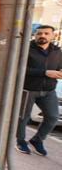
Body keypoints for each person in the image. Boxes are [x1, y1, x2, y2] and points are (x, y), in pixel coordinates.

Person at [16, 25, 62, 156]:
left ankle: (37, 140)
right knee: (23, 118)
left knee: (52, 117)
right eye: (39, 33)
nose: (42, 36)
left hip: (49, 91)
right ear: (35, 35)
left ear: (53, 36)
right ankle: (20, 141)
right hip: (28, 89)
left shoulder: (57, 51)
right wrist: (45, 73)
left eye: (46, 33)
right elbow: (20, 69)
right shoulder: (26, 49)